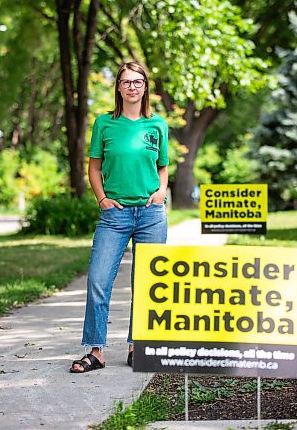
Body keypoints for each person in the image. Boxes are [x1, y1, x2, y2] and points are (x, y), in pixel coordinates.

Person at [70, 61, 168, 373]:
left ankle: (136, 348)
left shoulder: (158, 125)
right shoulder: (104, 124)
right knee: (98, 280)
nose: (132, 87)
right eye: (126, 82)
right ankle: (95, 351)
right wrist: (102, 198)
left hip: (151, 214)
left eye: (137, 82)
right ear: (119, 88)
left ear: (145, 86)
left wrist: (161, 190)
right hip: (115, 216)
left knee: (146, 283)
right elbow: (94, 167)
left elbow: (162, 165)